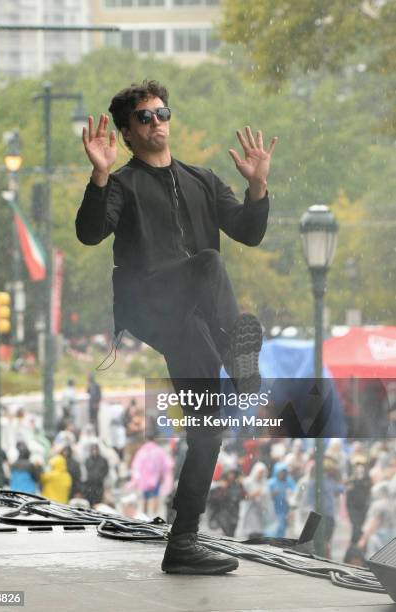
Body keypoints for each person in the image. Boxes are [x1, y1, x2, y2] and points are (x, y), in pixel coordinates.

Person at [75, 79, 277, 574]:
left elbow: (249, 232)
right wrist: (99, 176)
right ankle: (240, 360)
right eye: (144, 117)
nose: (157, 122)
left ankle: (183, 541)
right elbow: (89, 232)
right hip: (149, 301)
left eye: (162, 113)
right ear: (126, 133)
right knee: (208, 262)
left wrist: (257, 186)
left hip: (192, 317)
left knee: (208, 429)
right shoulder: (122, 183)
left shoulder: (203, 179)